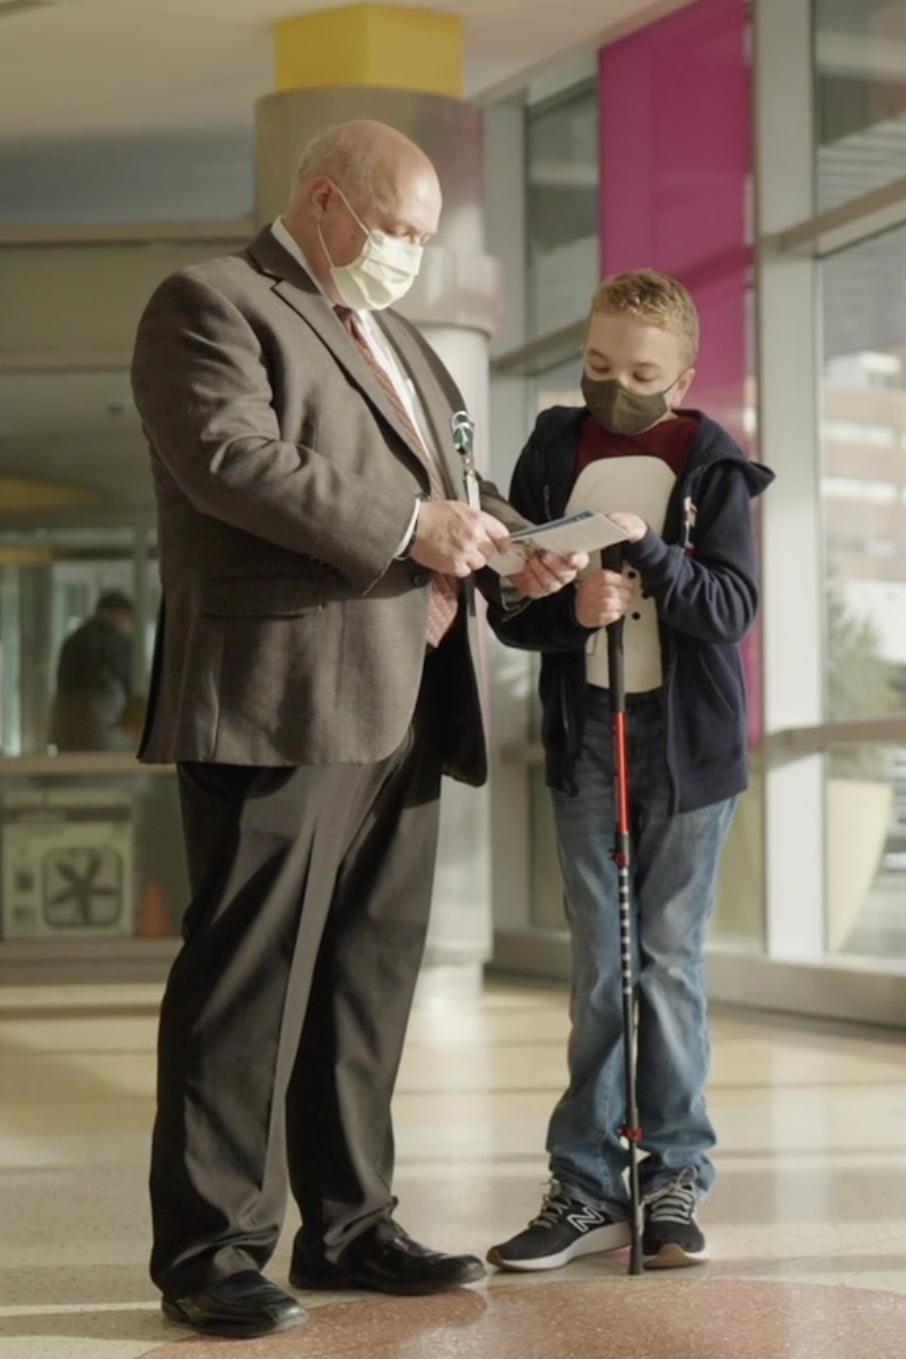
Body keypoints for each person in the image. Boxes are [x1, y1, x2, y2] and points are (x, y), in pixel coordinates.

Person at [130, 119, 584, 1340]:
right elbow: (233, 458)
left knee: (366, 979)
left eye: (428, 241)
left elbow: (456, 489)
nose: (410, 261)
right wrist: (412, 529)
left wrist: (516, 554)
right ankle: (212, 1249)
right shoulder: (212, 303)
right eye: (397, 233)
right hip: (281, 694)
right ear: (326, 202)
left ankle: (349, 1225)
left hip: (409, 697)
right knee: (251, 983)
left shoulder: (405, 346)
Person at [486, 270, 774, 1273]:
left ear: (685, 374)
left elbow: (731, 609)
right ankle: (587, 1186)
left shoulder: (714, 462)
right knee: (601, 971)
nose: (618, 387)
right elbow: (509, 606)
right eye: (599, 366)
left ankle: (674, 1176)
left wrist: (648, 553)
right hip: (587, 734)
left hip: (688, 751)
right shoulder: (553, 448)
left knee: (664, 962)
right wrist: (570, 613)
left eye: (642, 372)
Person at [50, 590, 134, 752]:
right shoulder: (116, 641)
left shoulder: (73, 640)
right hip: (101, 726)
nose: (127, 625)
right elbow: (127, 681)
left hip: (66, 726)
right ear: (119, 614)